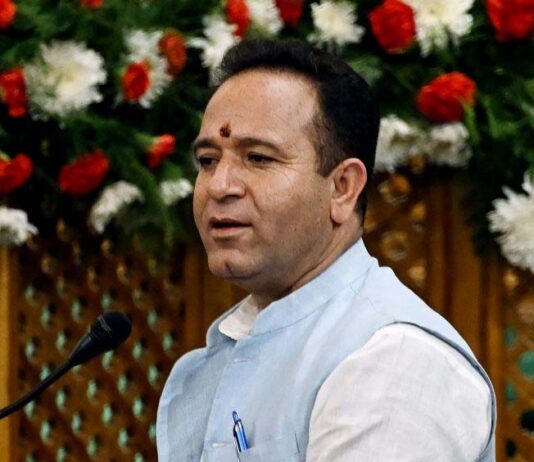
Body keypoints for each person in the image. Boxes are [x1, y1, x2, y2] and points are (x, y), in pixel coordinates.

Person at [157, 39, 495, 462]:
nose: (219, 186)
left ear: (342, 188)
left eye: (258, 158)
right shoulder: (224, 352)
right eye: (208, 160)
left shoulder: (395, 361)